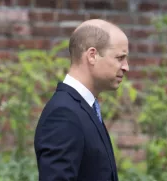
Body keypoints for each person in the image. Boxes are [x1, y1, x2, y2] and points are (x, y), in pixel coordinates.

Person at [34, 19, 129, 181]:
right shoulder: (63, 114)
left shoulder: (84, 108)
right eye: (120, 58)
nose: (126, 67)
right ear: (92, 56)